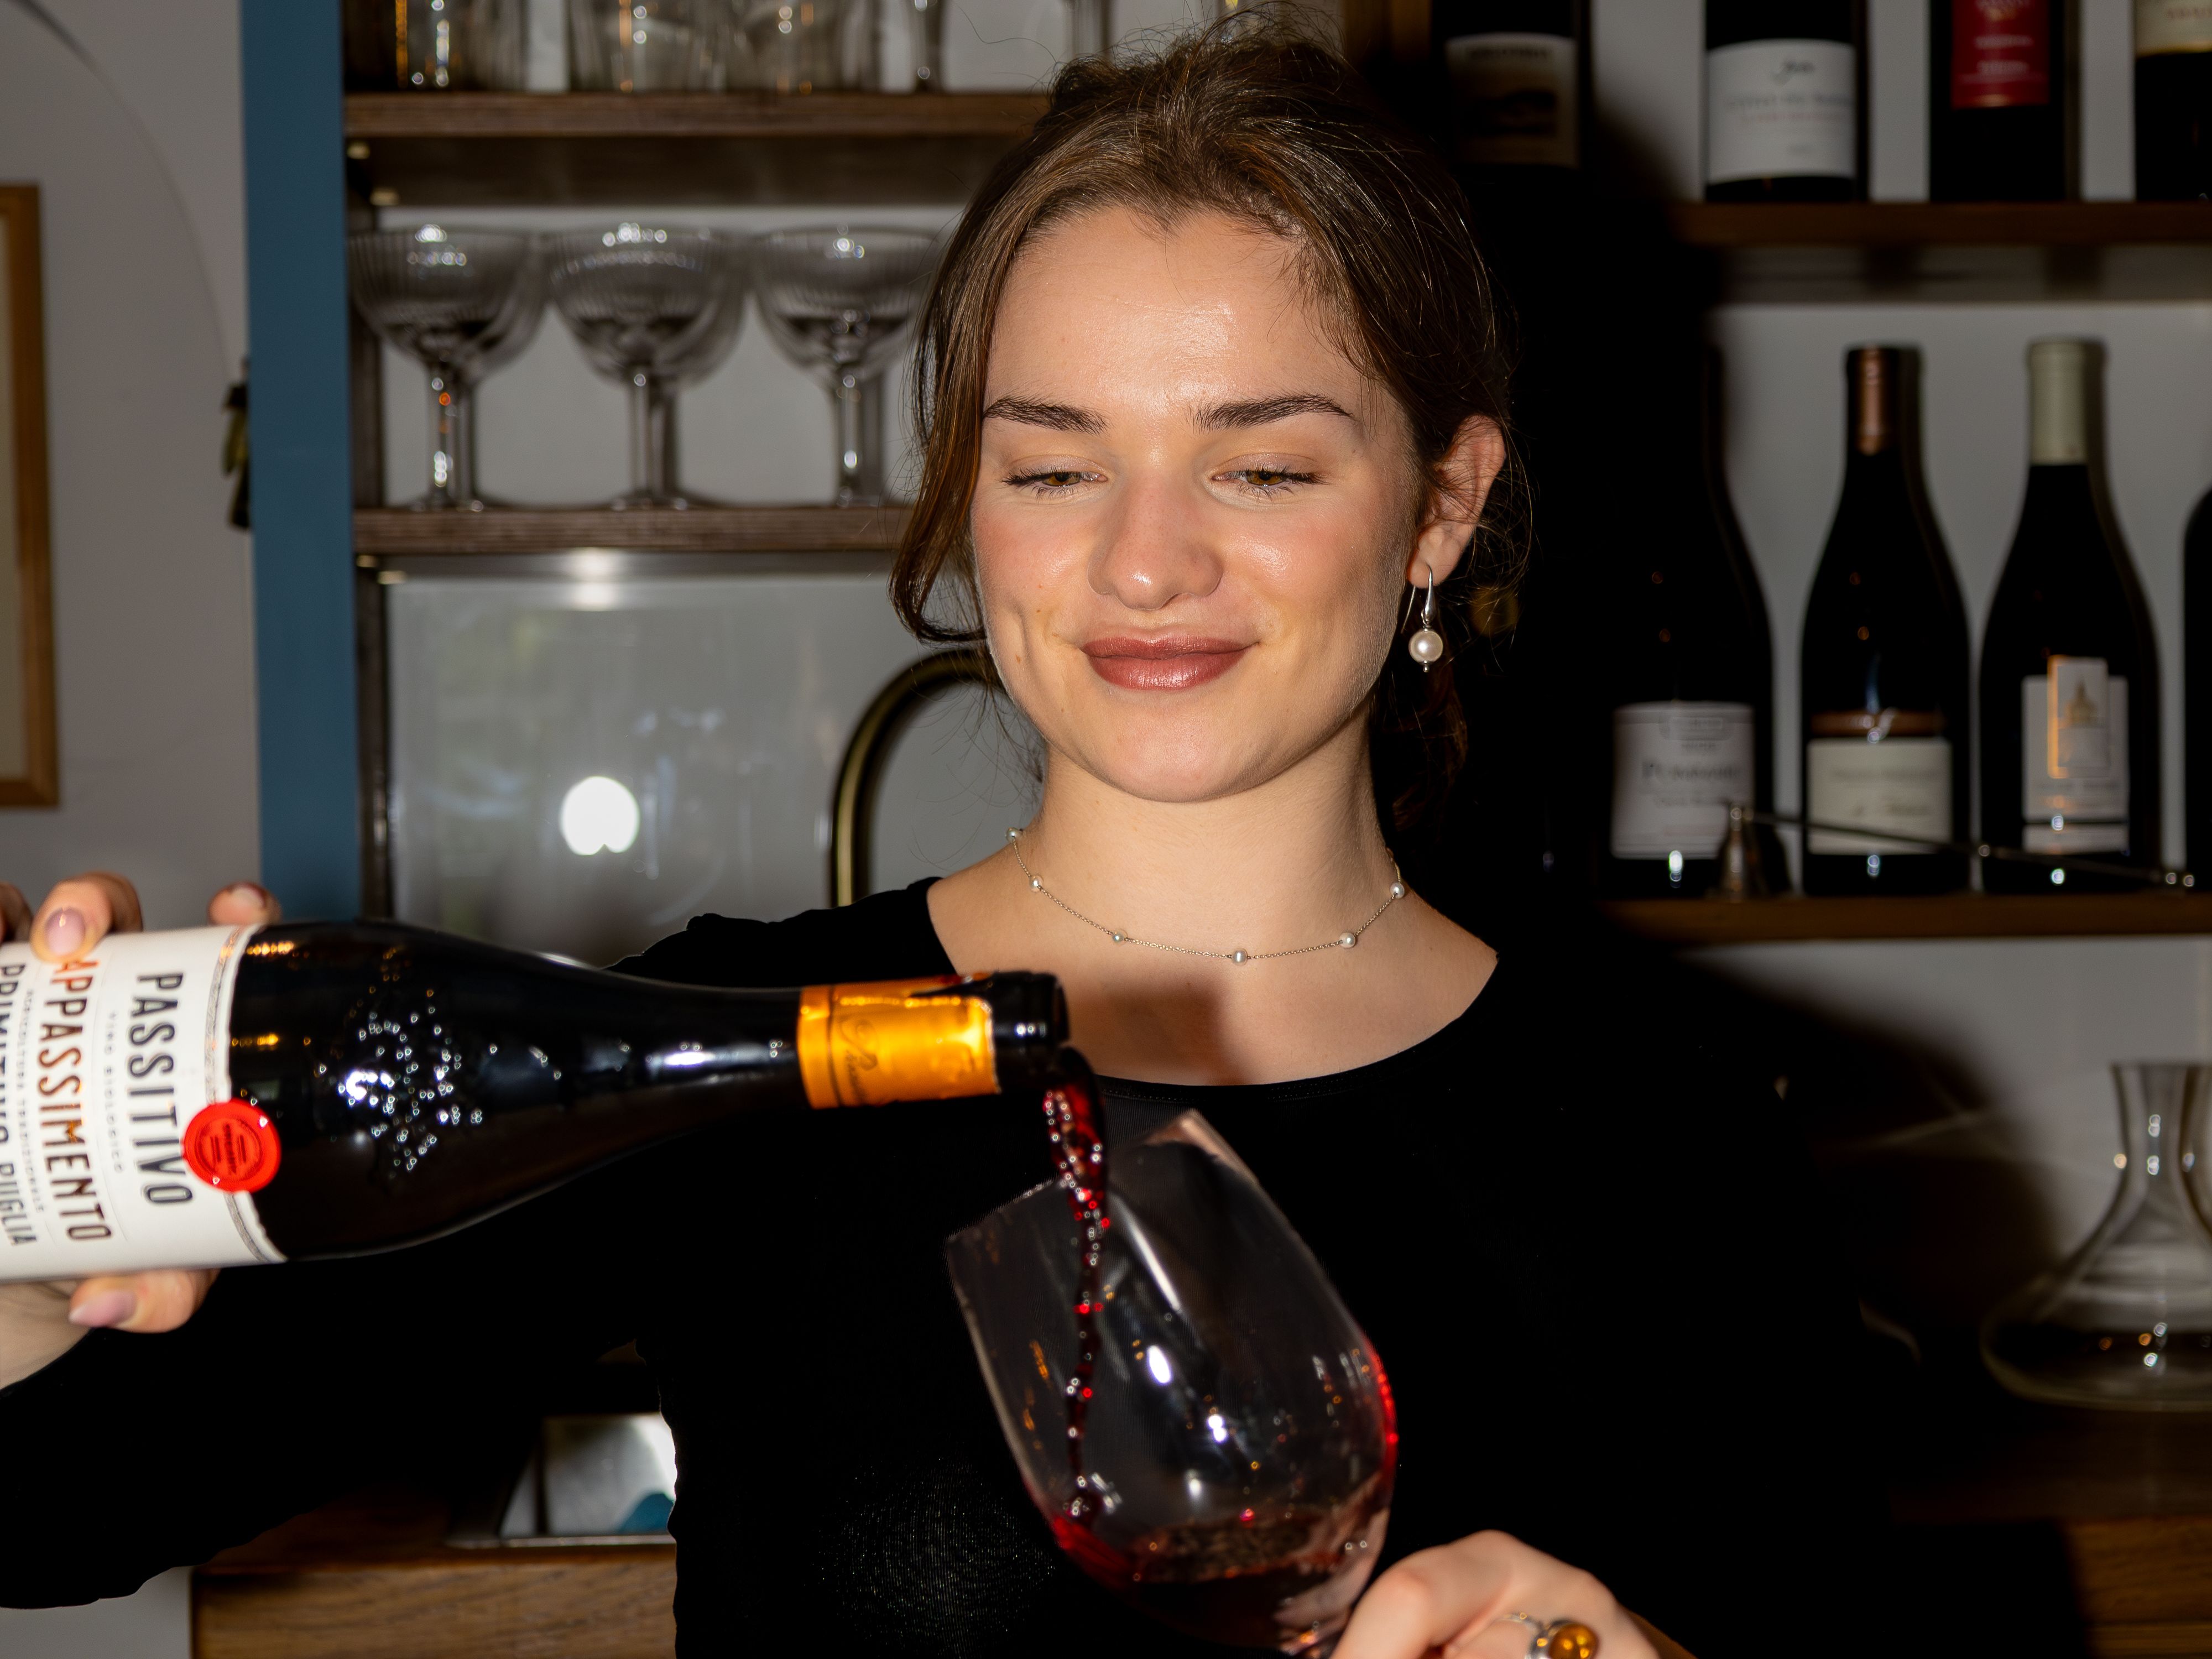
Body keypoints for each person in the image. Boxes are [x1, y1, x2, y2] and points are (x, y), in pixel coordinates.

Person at [0, 23, 1882, 1658]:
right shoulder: (726, 1054)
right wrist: (24, 1220)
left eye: (1266, 463)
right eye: (1054, 465)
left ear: (1444, 507)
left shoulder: (1672, 1113)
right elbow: (52, 1509)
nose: (1144, 561)